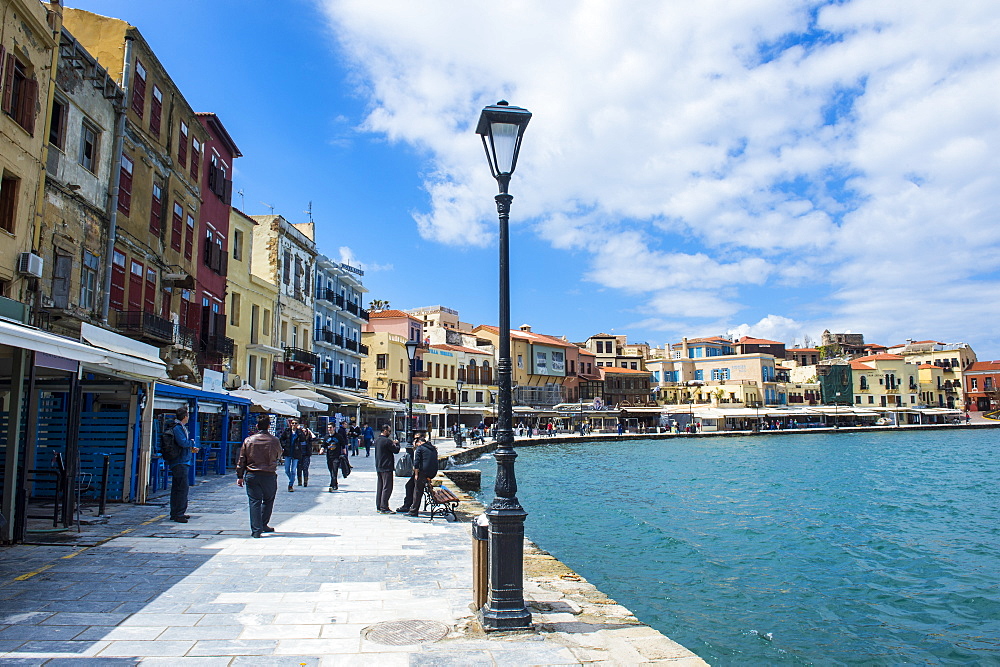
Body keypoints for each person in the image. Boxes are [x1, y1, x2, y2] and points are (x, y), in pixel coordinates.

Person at [236, 414, 283, 538]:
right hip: (268, 474)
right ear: (269, 426)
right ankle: (263, 524)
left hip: (252, 474)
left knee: (254, 502)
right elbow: (279, 455)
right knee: (268, 500)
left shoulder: (249, 440)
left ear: (257, 426)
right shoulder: (274, 440)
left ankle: (256, 530)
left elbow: (242, 459)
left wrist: (239, 475)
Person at [166, 407, 198, 523]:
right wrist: (192, 443)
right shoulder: (178, 428)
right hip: (180, 461)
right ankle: (178, 513)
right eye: (188, 415)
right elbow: (183, 442)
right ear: (185, 416)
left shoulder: (180, 428)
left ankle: (176, 512)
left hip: (181, 460)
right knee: (182, 488)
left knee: (178, 487)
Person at [406, 434, 439, 517]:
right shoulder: (433, 448)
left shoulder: (420, 448)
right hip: (432, 472)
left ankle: (413, 511)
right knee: (410, 485)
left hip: (423, 472)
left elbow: (416, 463)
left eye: (416, 444)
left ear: (419, 442)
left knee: (417, 490)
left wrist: (416, 474)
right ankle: (408, 506)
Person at [373, 423, 399, 514]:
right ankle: (384, 507)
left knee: (380, 487)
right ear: (385, 431)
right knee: (387, 487)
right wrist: (397, 444)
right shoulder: (387, 441)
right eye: (389, 431)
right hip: (387, 467)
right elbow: (396, 451)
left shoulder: (377, 440)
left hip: (379, 466)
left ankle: (379, 506)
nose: (390, 433)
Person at [279, 419, 309, 492]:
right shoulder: (287, 431)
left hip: (296, 453)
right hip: (288, 452)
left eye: (295, 423)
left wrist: (300, 432)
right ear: (290, 424)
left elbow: (303, 439)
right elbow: (281, 439)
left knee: (293, 470)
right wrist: (284, 446)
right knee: (286, 470)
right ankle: (292, 479)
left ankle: (290, 484)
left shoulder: (299, 432)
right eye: (292, 423)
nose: (294, 425)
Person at [322, 424, 345, 491]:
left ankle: (333, 485)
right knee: (331, 470)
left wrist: (344, 453)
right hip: (329, 456)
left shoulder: (338, 436)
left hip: (336, 456)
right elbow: (324, 445)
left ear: (334, 428)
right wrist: (322, 449)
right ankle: (334, 482)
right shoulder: (326, 436)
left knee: (335, 471)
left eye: (330, 427)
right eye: (328, 427)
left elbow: (343, 444)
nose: (329, 429)